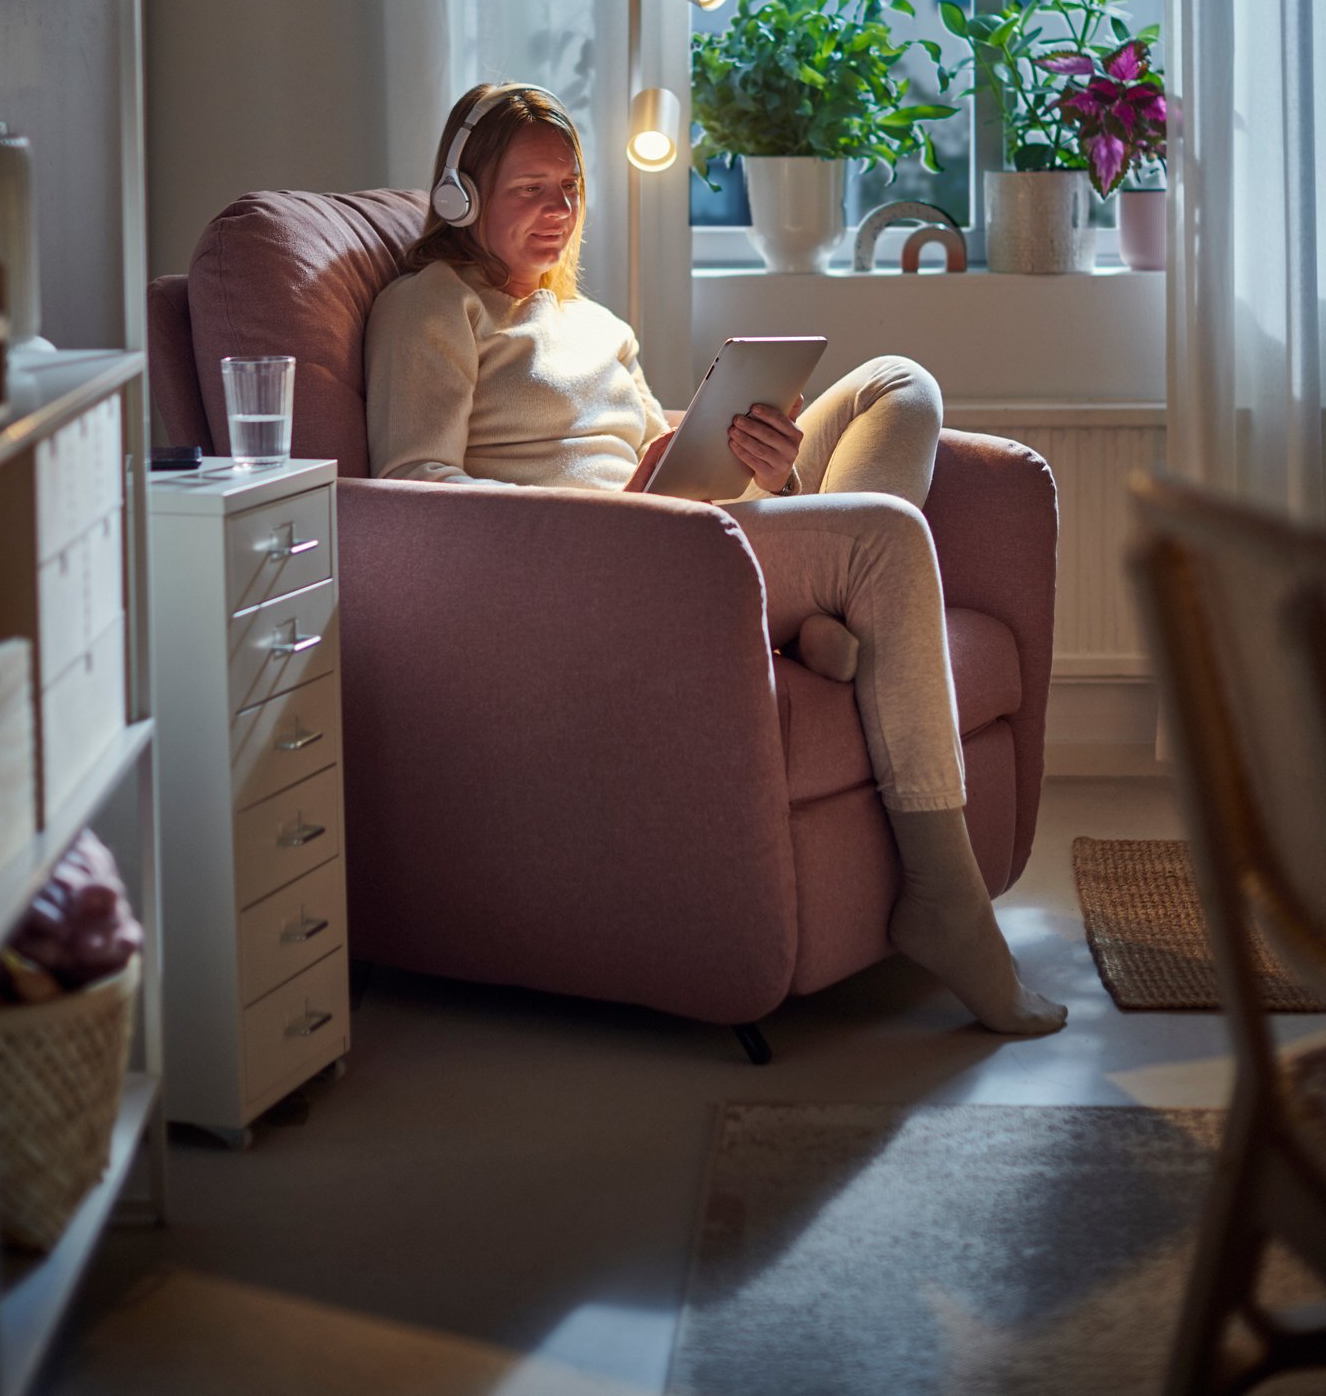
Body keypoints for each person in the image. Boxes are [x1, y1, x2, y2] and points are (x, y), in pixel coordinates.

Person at [366, 82, 1067, 1037]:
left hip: (692, 529)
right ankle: (944, 899)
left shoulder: (595, 322)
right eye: (530, 189)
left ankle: (830, 608)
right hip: (609, 564)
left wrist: (765, 476)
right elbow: (419, 489)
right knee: (886, 536)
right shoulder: (431, 307)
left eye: (570, 187)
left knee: (898, 386)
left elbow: (651, 441)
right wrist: (625, 514)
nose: (559, 209)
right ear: (459, 194)